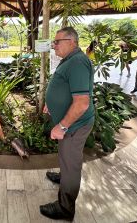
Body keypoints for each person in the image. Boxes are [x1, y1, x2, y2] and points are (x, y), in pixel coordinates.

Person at [40, 27, 95, 221]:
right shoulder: (71, 60)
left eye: (57, 41)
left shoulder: (78, 62)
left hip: (75, 125)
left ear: (72, 41)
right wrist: (51, 103)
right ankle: (64, 178)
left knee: (71, 163)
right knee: (66, 157)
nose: (54, 45)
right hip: (71, 123)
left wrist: (62, 126)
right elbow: (66, 88)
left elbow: (81, 103)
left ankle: (65, 207)